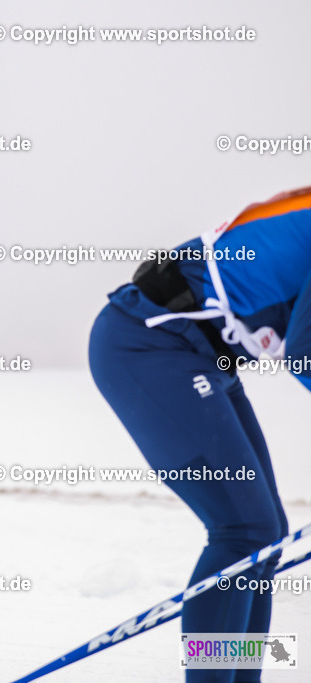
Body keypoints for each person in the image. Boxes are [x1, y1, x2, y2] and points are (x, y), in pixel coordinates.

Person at [88, 186, 311, 682]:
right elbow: (304, 349)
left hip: (200, 356)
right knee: (244, 531)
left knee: (266, 538)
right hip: (147, 344)